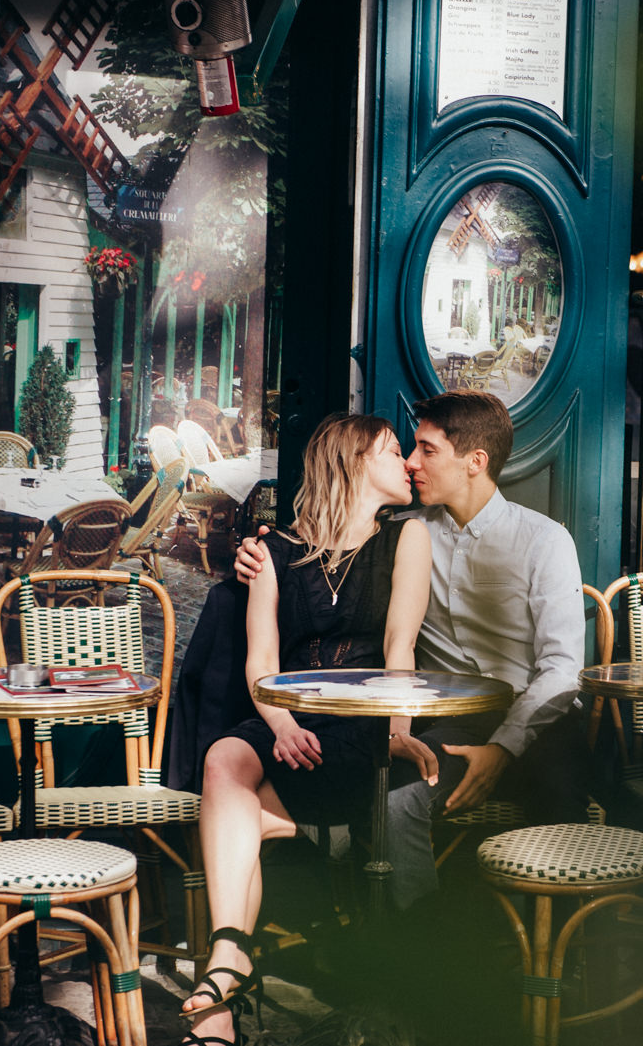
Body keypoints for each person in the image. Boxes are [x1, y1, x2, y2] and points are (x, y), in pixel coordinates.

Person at [235, 390, 587, 910]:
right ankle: (412, 938)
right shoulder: (405, 535)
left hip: (539, 720)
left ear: (475, 461)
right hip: (452, 722)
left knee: (564, 804)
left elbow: (561, 670)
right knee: (394, 799)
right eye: (409, 449)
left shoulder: (544, 540)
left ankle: (570, 941)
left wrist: (503, 749)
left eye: (427, 450)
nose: (412, 462)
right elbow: (321, 548)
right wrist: (254, 550)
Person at [183, 413, 432, 1046]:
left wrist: (397, 728)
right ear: (354, 462)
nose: (407, 463)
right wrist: (280, 722)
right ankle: (228, 959)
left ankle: (221, 990)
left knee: (238, 815)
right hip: (288, 719)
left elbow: (400, 648)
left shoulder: (406, 537)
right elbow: (262, 662)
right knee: (224, 758)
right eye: (393, 451)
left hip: (361, 722)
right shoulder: (273, 551)